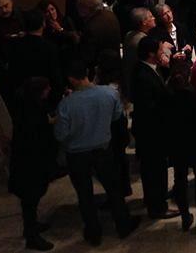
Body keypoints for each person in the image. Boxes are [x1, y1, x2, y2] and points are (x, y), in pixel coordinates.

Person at [54, 60, 139, 246]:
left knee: (85, 195)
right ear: (87, 73)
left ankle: (93, 232)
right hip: (103, 150)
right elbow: (117, 116)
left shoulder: (66, 105)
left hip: (77, 155)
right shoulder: (109, 93)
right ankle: (123, 225)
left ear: (70, 79)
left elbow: (61, 134)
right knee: (114, 190)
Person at [130, 37, 179, 220]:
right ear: (151, 54)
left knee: (152, 170)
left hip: (149, 131)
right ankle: (158, 206)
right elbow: (151, 108)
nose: (163, 52)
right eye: (160, 49)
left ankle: (153, 199)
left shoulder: (144, 68)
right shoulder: (144, 76)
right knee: (155, 170)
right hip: (152, 133)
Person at [8, 77, 57, 251]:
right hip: (30, 165)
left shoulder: (25, 106)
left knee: (30, 201)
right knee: (30, 200)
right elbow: (38, 137)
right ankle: (31, 236)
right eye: (46, 88)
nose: (49, 90)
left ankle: (33, 226)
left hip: (27, 163)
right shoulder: (32, 113)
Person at [166, 56, 196, 234]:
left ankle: (186, 217)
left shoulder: (167, 98)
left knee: (180, 181)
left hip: (178, 147)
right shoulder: (194, 98)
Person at [7, 10, 63, 102]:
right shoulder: (50, 47)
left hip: (22, 93)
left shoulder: (15, 45)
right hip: (44, 94)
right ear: (43, 24)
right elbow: (55, 74)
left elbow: (12, 71)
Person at [75, 0, 121, 74]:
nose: (77, 7)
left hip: (100, 71)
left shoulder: (91, 28)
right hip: (115, 66)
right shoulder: (110, 14)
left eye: (79, 5)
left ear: (86, 8)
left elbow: (87, 58)